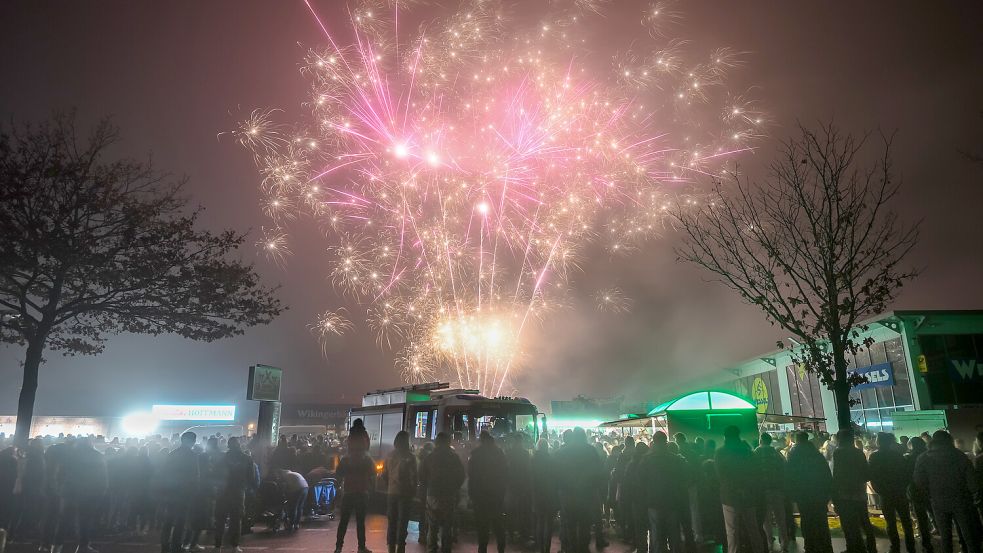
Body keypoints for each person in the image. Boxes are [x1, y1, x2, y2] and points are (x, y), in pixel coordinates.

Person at [914, 430, 981, 553]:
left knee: (945, 536)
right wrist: (974, 496)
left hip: (938, 500)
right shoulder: (959, 455)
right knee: (968, 534)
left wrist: (930, 494)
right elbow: (972, 480)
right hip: (961, 499)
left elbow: (919, 481)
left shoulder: (923, 458)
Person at [716, 425, 766, 553]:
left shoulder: (721, 452)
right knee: (753, 529)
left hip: (729, 496)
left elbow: (721, 475)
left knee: (732, 532)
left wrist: (734, 488)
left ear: (725, 437)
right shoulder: (747, 451)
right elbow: (755, 473)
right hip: (748, 495)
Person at [54, 438, 108, 553]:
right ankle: (82, 547)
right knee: (85, 522)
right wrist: (101, 492)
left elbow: (59, 473)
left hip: (69, 492)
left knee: (63, 521)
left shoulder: (69, 455)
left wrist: (60, 488)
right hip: (88, 494)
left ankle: (56, 547)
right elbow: (102, 477)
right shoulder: (97, 456)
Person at [641, 431, 689, 553]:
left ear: (654, 442)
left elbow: (641, 482)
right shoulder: (675, 459)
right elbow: (683, 480)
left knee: (657, 536)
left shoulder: (646, 460)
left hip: (654, 502)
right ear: (665, 442)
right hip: (672, 501)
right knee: (674, 535)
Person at [784, 431, 832, 553]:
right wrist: (828, 491)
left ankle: (810, 545)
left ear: (797, 440)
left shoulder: (794, 455)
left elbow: (790, 476)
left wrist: (792, 494)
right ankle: (825, 545)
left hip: (803, 494)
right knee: (821, 520)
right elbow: (826, 473)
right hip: (819, 493)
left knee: (807, 519)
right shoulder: (816, 454)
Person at [868, 433, 916, 553]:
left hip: (885, 493)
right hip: (899, 491)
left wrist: (878, 489)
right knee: (906, 520)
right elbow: (906, 473)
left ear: (879, 442)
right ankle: (911, 546)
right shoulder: (897, 455)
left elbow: (872, 475)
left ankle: (894, 546)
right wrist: (903, 487)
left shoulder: (874, 456)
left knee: (890, 522)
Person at [420, 432, 466, 553]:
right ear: (448, 442)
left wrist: (429, 485)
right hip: (449, 494)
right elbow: (461, 475)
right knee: (447, 526)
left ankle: (431, 549)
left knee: (432, 526)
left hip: (432, 494)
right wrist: (455, 487)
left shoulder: (430, 457)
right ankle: (446, 549)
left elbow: (422, 476)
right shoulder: (454, 458)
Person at [831, 429, 874, 553]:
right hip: (859, 492)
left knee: (848, 523)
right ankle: (870, 547)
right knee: (864, 521)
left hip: (844, 494)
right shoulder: (858, 452)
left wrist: (834, 495)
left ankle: (853, 547)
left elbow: (836, 475)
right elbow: (866, 474)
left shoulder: (838, 453)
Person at [159, 431, 201, 553]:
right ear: (192, 441)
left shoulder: (172, 454)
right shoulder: (192, 456)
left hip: (171, 492)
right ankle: (176, 546)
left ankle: (165, 547)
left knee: (168, 521)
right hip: (184, 494)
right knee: (180, 522)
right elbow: (195, 476)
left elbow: (164, 473)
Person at [213, 437, 255, 553]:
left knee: (220, 520)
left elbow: (215, 474)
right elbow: (251, 477)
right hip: (238, 492)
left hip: (223, 492)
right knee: (236, 520)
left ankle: (217, 546)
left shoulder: (222, 458)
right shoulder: (247, 458)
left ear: (228, 445)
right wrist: (247, 488)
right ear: (239, 445)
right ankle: (234, 546)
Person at [469, 431, 509, 553]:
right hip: (496, 494)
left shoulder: (476, 454)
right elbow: (505, 473)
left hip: (480, 495)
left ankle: (482, 549)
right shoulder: (499, 453)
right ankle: (501, 549)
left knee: (482, 526)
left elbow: (472, 475)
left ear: (481, 440)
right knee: (498, 524)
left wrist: (472, 494)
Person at [334, 441, 376, 553]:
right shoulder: (367, 459)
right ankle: (361, 547)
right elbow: (373, 474)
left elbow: (338, 474)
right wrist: (371, 488)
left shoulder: (345, 459)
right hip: (362, 492)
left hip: (348, 492)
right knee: (360, 522)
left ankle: (338, 547)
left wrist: (339, 487)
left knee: (343, 521)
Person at [382, 431, 417, 553]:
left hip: (392, 492)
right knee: (403, 521)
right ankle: (400, 547)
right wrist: (413, 490)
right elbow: (414, 476)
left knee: (392, 521)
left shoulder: (389, 455)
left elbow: (384, 474)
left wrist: (389, 485)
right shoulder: (411, 457)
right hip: (405, 493)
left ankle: (390, 547)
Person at [754, 432, 789, 553]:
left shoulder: (756, 452)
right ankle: (784, 544)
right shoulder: (776, 453)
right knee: (781, 518)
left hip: (763, 491)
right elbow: (784, 468)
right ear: (770, 441)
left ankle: (769, 543)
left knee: (766, 519)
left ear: (761, 440)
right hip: (777, 489)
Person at [904, 437, 934, 553]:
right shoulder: (929, 455)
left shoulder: (909, 458)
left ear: (911, 445)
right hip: (931, 489)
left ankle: (926, 542)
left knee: (921, 517)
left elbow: (907, 475)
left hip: (916, 491)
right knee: (935, 513)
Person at [531, 438, 559, 553]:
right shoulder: (551, 459)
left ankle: (541, 547)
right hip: (549, 494)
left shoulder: (533, 460)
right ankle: (547, 548)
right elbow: (555, 478)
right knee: (549, 522)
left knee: (540, 521)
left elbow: (530, 478)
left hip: (537, 494)